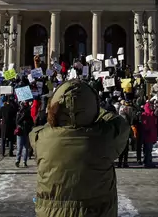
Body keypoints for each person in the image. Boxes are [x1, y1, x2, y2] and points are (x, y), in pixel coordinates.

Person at [30, 80, 130, 217]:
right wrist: (96, 110)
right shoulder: (105, 138)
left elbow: (47, 126)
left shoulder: (40, 138)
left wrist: (57, 114)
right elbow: (120, 123)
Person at [15, 100, 34, 167]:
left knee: (25, 148)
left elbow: (32, 123)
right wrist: (22, 117)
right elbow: (17, 122)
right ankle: (17, 160)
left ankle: (24, 161)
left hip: (26, 132)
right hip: (20, 132)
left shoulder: (28, 116)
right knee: (20, 148)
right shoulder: (19, 114)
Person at [139, 101, 158, 167]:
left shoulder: (151, 114)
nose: (152, 107)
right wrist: (147, 130)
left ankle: (148, 161)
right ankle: (147, 162)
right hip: (148, 134)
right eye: (150, 106)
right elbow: (145, 125)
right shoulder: (146, 115)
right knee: (147, 149)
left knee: (148, 149)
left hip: (150, 134)